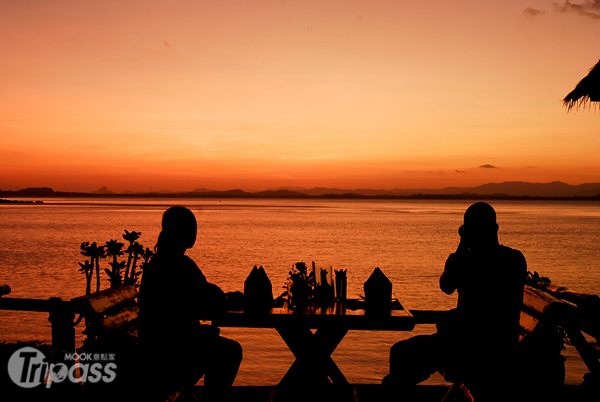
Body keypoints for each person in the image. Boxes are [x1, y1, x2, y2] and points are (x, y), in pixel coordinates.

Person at [384, 202, 527, 400]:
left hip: (474, 348)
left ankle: (393, 400)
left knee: (401, 353)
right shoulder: (513, 259)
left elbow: (447, 286)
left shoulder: (472, 261)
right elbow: (448, 287)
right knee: (404, 357)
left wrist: (462, 244)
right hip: (491, 344)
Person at [139, 206, 242, 401]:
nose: (195, 231)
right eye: (191, 226)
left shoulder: (163, 262)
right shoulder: (178, 265)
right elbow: (208, 300)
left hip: (162, 346)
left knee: (223, 348)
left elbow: (204, 296)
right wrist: (225, 299)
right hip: (170, 353)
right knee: (229, 351)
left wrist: (221, 298)